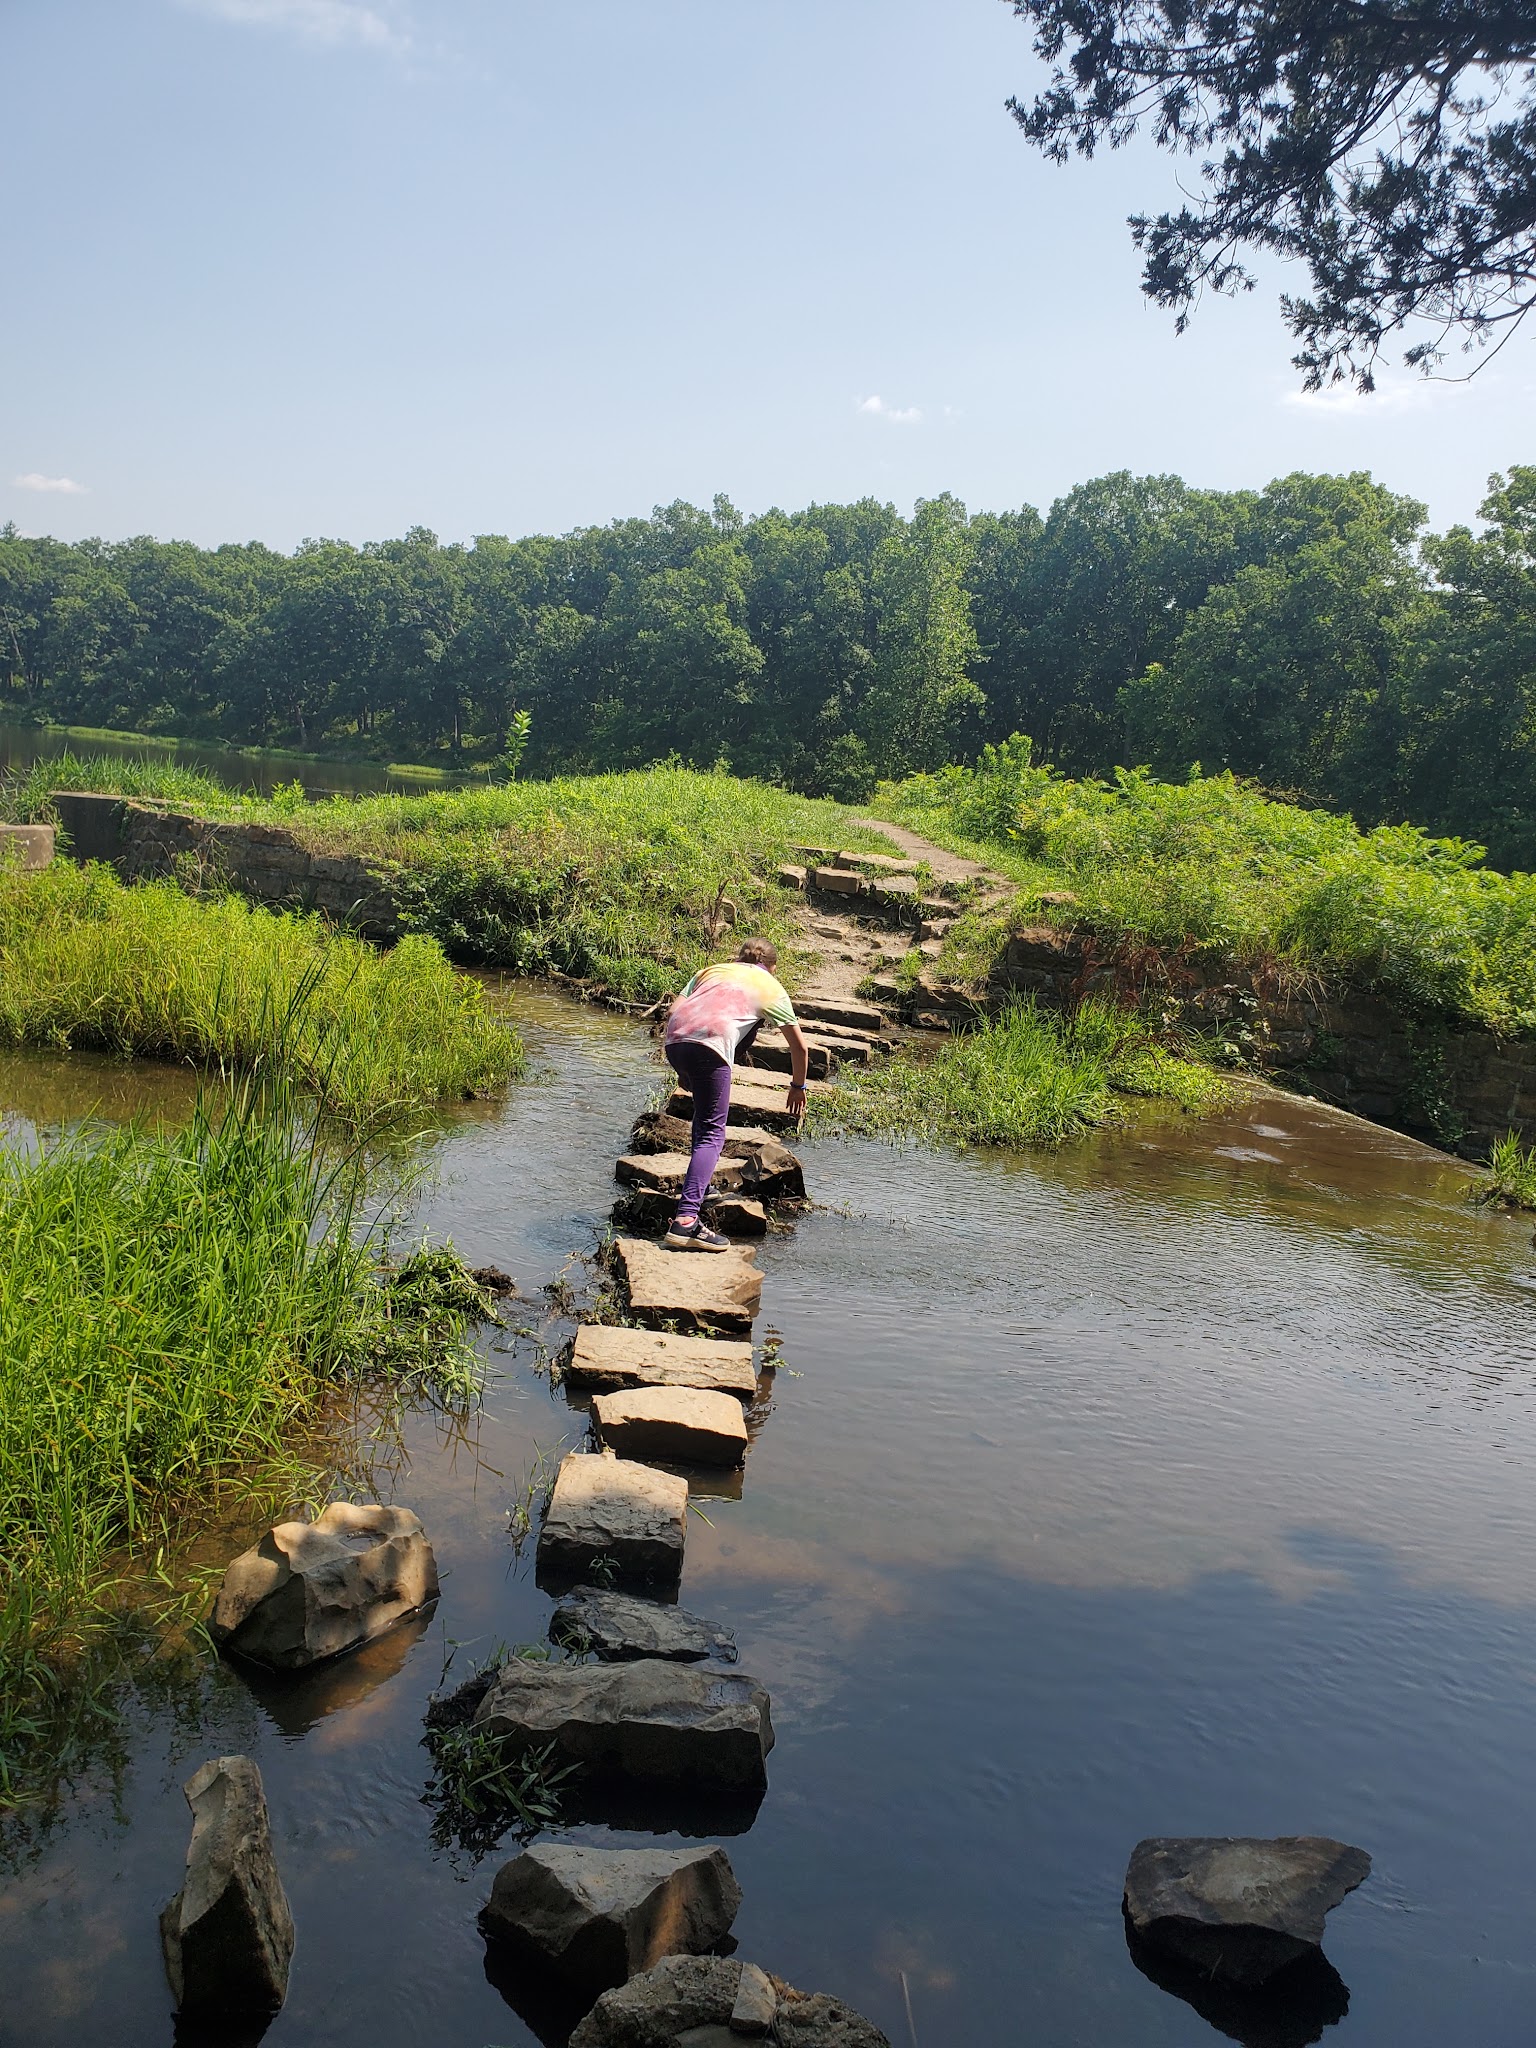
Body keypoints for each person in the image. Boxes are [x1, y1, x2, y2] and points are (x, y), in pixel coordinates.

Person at [662, 938, 809, 1251]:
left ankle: (697, 1190)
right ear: (772, 966)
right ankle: (686, 1221)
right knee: (712, 1136)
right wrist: (797, 1087)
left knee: (704, 1123)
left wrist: (682, 1067)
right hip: (711, 1044)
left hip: (675, 1040)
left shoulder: (711, 970)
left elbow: (675, 1009)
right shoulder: (769, 985)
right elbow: (799, 1046)